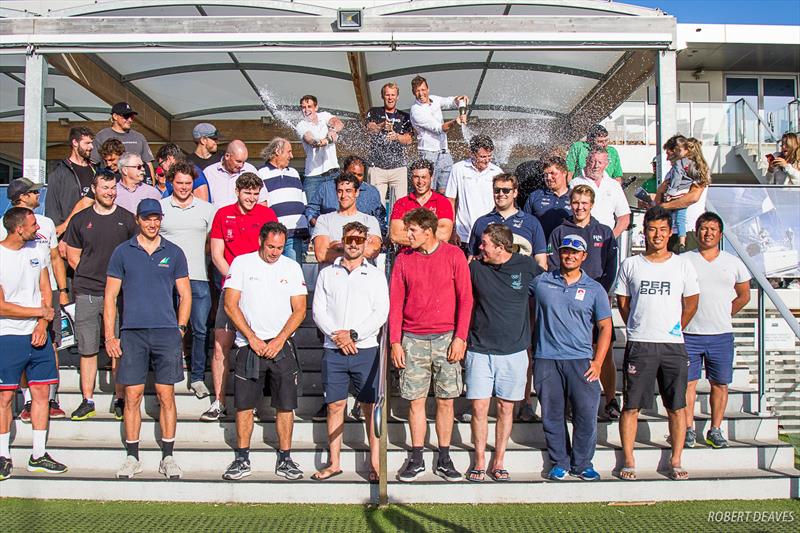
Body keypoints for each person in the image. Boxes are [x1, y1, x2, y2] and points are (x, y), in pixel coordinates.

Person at [104, 199, 191, 479]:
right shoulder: (122, 252)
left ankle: (168, 456)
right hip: (133, 333)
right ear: (138, 220)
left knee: (167, 395)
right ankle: (132, 457)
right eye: (147, 218)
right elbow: (110, 297)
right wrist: (110, 335)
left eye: (156, 218)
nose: (152, 223)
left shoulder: (174, 252)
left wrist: (180, 328)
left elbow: (185, 294)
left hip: (166, 333)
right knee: (132, 395)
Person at [614, 206, 699, 481]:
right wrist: (638, 326)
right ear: (645, 231)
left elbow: (691, 302)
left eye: (663, 229)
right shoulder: (631, 264)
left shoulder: (683, 264)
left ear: (671, 232)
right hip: (640, 344)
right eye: (652, 229)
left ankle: (675, 459)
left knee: (676, 406)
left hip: (672, 345)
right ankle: (629, 458)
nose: (658, 235)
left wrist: (677, 327)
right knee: (631, 406)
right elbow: (623, 303)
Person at [389, 208, 473, 482]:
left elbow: (466, 299)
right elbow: (395, 304)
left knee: (446, 401)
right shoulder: (403, 259)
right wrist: (395, 342)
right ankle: (416, 456)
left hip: (446, 338)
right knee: (415, 402)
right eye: (407, 229)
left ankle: (445, 456)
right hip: (412, 339)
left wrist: (461, 337)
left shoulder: (454, 255)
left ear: (428, 231)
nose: (407, 234)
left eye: (412, 230)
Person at [221, 222, 307, 481]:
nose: (275, 252)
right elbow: (230, 304)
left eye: (280, 247)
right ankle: (242, 457)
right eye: (271, 246)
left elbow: (300, 309)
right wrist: (252, 338)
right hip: (249, 346)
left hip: (282, 347)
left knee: (285, 405)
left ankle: (285, 458)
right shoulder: (242, 263)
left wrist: (280, 339)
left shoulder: (291, 267)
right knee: (244, 406)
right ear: (261, 240)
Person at [311, 222, 389, 482]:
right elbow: (318, 311)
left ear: (366, 242)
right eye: (349, 239)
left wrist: (354, 335)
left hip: (365, 349)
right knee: (335, 405)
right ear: (342, 240)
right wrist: (339, 336)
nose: (354, 244)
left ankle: (375, 464)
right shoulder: (326, 273)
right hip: (334, 349)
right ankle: (334, 462)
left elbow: (381, 312)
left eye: (359, 239)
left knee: (369, 407)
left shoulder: (376, 275)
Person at [531, 234, 613, 481]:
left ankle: (583, 463)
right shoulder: (541, 282)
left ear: (584, 256)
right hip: (547, 359)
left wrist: (598, 362)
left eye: (575, 252)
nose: (569, 255)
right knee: (552, 415)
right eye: (565, 251)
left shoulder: (594, 289)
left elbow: (606, 327)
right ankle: (560, 462)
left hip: (581, 360)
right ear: (558, 253)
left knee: (585, 415)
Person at [465, 224, 541, 482]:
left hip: (515, 351)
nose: (480, 247)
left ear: (500, 247)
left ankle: (498, 460)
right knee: (478, 407)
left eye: (485, 244)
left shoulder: (526, 265)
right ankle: (479, 460)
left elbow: (549, 289)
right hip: (479, 349)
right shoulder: (475, 267)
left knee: (506, 408)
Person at [203, 173, 278, 421]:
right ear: (237, 191)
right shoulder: (223, 214)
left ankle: (251, 402)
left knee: (256, 344)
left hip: (261, 291)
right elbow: (217, 255)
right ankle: (218, 401)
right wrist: (237, 280)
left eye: (256, 194)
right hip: (232, 289)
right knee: (220, 345)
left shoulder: (267, 215)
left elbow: (273, 253)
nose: (252, 198)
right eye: (247, 193)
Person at [0, 207, 67, 480]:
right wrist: (39, 314)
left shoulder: (38, 252)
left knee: (41, 394)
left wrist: (42, 324)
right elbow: (1, 306)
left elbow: (45, 292)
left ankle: (38, 454)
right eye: (32, 225)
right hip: (8, 335)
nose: (37, 229)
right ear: (18, 228)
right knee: (5, 397)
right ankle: (3, 455)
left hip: (38, 335)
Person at [64, 172, 137, 421]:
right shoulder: (81, 219)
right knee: (87, 348)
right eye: (105, 187)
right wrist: (87, 273)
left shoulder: (127, 220)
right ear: (94, 189)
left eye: (113, 188)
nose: (110, 192)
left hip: (118, 295)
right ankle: (88, 400)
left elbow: (134, 254)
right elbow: (72, 254)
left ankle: (119, 398)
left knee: (116, 347)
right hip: (87, 292)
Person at [548, 185, 619, 419]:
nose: (579, 207)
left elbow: (611, 269)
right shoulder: (559, 231)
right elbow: (552, 266)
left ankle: (610, 400)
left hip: (596, 301)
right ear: (570, 203)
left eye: (584, 203)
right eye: (576, 202)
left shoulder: (605, 231)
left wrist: (598, 294)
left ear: (592, 204)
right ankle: (570, 403)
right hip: (568, 304)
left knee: (604, 352)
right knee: (571, 354)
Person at [2, 179, 69, 421]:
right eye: (33, 191)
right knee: (21, 349)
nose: (38, 193)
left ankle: (50, 396)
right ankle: (28, 400)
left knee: (51, 342)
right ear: (21, 197)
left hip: (46, 292)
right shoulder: (5, 227)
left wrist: (61, 289)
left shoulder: (46, 223)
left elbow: (54, 258)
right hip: (15, 305)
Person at [683, 212, 751, 449]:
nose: (708, 233)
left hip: (721, 334)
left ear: (720, 234)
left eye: (713, 229)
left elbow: (744, 295)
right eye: (703, 228)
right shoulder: (684, 260)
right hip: (689, 334)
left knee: (720, 384)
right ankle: (688, 429)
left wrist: (724, 312)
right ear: (696, 231)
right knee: (688, 384)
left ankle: (715, 429)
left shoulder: (733, 262)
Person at [159, 161, 217, 399]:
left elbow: (211, 243)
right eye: (179, 183)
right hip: (165, 280)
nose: (184, 187)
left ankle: (198, 377)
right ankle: (168, 374)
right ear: (171, 183)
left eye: (188, 183)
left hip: (198, 277)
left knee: (201, 329)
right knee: (167, 329)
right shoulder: (160, 208)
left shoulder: (207, 209)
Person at [468, 173, 547, 269]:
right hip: (489, 279)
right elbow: (472, 257)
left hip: (520, 279)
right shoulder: (481, 222)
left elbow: (541, 261)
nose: (501, 194)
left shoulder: (531, 222)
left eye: (506, 190)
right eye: (497, 190)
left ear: (515, 193)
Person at [409, 75, 468, 193]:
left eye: (423, 90)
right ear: (413, 92)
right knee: (428, 190)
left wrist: (460, 99)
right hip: (428, 153)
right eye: (417, 91)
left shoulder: (434, 99)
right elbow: (439, 129)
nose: (421, 94)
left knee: (445, 191)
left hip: (444, 152)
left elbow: (449, 101)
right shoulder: (416, 111)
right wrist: (455, 122)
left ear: (428, 89)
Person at [445, 135, 503, 249]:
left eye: (489, 156)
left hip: (490, 236)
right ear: (472, 153)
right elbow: (450, 201)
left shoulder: (497, 172)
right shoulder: (458, 169)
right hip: (462, 235)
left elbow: (502, 204)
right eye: (482, 156)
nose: (487, 160)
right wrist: (452, 230)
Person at [305, 155, 386, 234]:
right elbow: (312, 209)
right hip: (331, 238)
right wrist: (314, 221)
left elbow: (380, 218)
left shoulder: (372, 192)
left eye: (360, 175)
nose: (356, 177)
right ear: (343, 171)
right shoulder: (326, 188)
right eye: (352, 173)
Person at [312, 173, 382, 266]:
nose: (344, 195)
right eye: (340, 191)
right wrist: (359, 247)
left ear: (356, 192)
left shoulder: (370, 221)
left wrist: (337, 246)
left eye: (348, 191)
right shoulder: (324, 220)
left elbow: (372, 252)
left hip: (362, 278)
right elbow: (321, 255)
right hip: (333, 277)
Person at [258, 137, 309, 262]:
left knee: (293, 273)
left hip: (296, 233)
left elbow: (303, 200)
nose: (291, 156)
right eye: (289, 152)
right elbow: (260, 205)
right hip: (274, 235)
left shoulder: (294, 172)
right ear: (277, 151)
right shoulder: (261, 173)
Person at [655, 137, 710, 254]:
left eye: (669, 154)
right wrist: (659, 192)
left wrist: (664, 207)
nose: (667, 158)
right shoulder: (671, 173)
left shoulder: (696, 169)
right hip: (669, 231)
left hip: (689, 230)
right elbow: (660, 201)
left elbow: (693, 197)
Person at [365, 81, 414, 204]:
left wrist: (397, 136)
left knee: (401, 206)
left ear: (397, 96)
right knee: (375, 205)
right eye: (387, 95)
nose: (390, 98)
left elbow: (409, 139)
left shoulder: (405, 116)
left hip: (398, 168)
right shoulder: (374, 111)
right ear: (382, 96)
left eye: (393, 95)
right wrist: (381, 126)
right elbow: (370, 128)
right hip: (377, 168)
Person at [44, 126, 97, 236]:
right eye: (87, 143)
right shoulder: (60, 172)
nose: (91, 147)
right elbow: (52, 206)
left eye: (92, 143)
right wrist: (59, 234)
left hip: (94, 230)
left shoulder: (95, 170)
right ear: (75, 142)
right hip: (68, 233)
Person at [389, 158, 453, 246]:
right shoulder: (402, 203)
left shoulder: (442, 202)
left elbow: (444, 235)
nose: (420, 182)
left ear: (431, 177)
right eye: (416, 177)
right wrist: (428, 236)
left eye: (424, 177)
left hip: (434, 256)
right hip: (407, 254)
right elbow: (395, 235)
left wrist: (413, 236)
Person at [570, 148, 630, 238]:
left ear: (606, 164)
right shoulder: (575, 183)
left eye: (600, 162)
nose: (596, 166)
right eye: (593, 161)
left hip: (606, 240)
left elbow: (624, 217)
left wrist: (611, 238)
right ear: (586, 161)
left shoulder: (614, 185)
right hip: (580, 238)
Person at [295, 95, 344, 205]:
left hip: (333, 173)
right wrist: (326, 141)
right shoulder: (301, 125)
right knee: (312, 210)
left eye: (309, 106)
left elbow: (339, 123)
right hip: (313, 176)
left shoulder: (324, 116)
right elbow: (310, 140)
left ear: (316, 108)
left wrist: (333, 130)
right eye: (303, 107)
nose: (306, 110)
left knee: (335, 208)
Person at [90, 102, 155, 181]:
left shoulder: (139, 137)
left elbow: (148, 164)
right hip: (111, 187)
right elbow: (92, 164)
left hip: (137, 187)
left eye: (132, 117)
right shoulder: (102, 136)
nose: (130, 120)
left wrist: (152, 189)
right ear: (115, 116)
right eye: (126, 116)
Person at [523, 156, 572, 240]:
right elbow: (525, 223)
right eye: (546, 174)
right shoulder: (535, 196)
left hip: (567, 248)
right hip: (540, 249)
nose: (548, 178)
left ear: (564, 173)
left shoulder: (575, 197)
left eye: (553, 173)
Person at [202, 140, 262, 208]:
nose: (241, 165)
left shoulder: (250, 170)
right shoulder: (209, 172)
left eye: (243, 162)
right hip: (216, 217)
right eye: (238, 161)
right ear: (227, 156)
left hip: (244, 217)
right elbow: (202, 202)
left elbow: (262, 200)